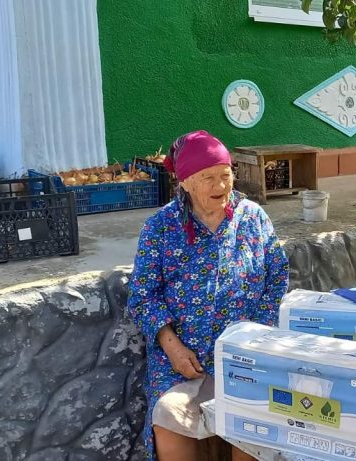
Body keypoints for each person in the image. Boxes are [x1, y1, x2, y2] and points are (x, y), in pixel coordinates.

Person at [128, 130, 289, 460]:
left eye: (225, 175)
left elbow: (277, 278)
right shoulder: (161, 227)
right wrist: (172, 346)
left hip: (246, 356)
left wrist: (254, 338)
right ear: (184, 182)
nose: (221, 186)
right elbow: (143, 296)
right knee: (169, 415)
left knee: (254, 423)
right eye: (208, 178)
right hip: (185, 361)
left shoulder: (252, 217)